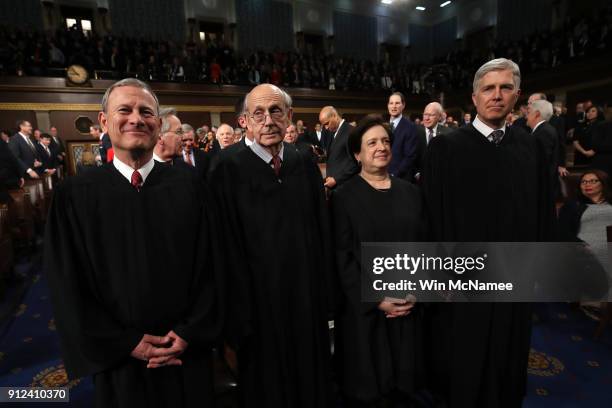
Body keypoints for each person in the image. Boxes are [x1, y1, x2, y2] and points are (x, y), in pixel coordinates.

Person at [44, 78, 220, 408]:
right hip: (119, 360)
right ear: (104, 121)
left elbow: (214, 264)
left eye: (146, 112)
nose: (136, 118)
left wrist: (189, 332)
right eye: (124, 110)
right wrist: (126, 342)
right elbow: (67, 282)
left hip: (186, 354)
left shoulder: (193, 187)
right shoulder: (74, 196)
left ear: (158, 123)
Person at [423, 58, 553, 408]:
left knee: (509, 356)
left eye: (505, 88)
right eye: (488, 88)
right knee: (463, 361)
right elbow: (431, 217)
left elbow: (543, 210)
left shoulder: (532, 148)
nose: (497, 95)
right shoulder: (446, 148)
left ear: (518, 96)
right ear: (475, 96)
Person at [210, 83, 333, 408]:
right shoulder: (226, 167)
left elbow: (320, 228)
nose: (268, 120)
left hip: (305, 298)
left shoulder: (302, 160)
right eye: (258, 113)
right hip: (256, 305)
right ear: (245, 121)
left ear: (289, 117)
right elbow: (222, 247)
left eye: (276, 111)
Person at [331, 115, 425, 407]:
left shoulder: (411, 193)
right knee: (371, 392)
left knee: (406, 387)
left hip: (408, 305)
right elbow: (341, 257)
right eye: (372, 143)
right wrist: (377, 299)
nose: (381, 147)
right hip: (366, 314)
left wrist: (416, 291)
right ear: (357, 154)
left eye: (385, 141)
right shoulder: (342, 197)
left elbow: (424, 247)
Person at [527, 99, 560, 201]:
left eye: (528, 113)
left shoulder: (543, 131)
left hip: (541, 189)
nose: (526, 116)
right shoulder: (544, 130)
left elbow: (540, 162)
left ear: (536, 114)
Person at [319, 106, 358, 189]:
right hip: (335, 188)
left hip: (346, 187)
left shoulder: (351, 132)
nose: (326, 127)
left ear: (334, 116)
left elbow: (355, 164)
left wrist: (336, 179)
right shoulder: (331, 133)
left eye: (327, 123)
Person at [387, 92, 419, 182]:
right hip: (382, 175)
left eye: (397, 103)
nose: (394, 106)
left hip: (401, 178)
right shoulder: (382, 125)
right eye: (391, 103)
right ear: (388, 105)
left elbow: (410, 156)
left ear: (403, 105)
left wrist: (394, 174)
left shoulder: (410, 127)